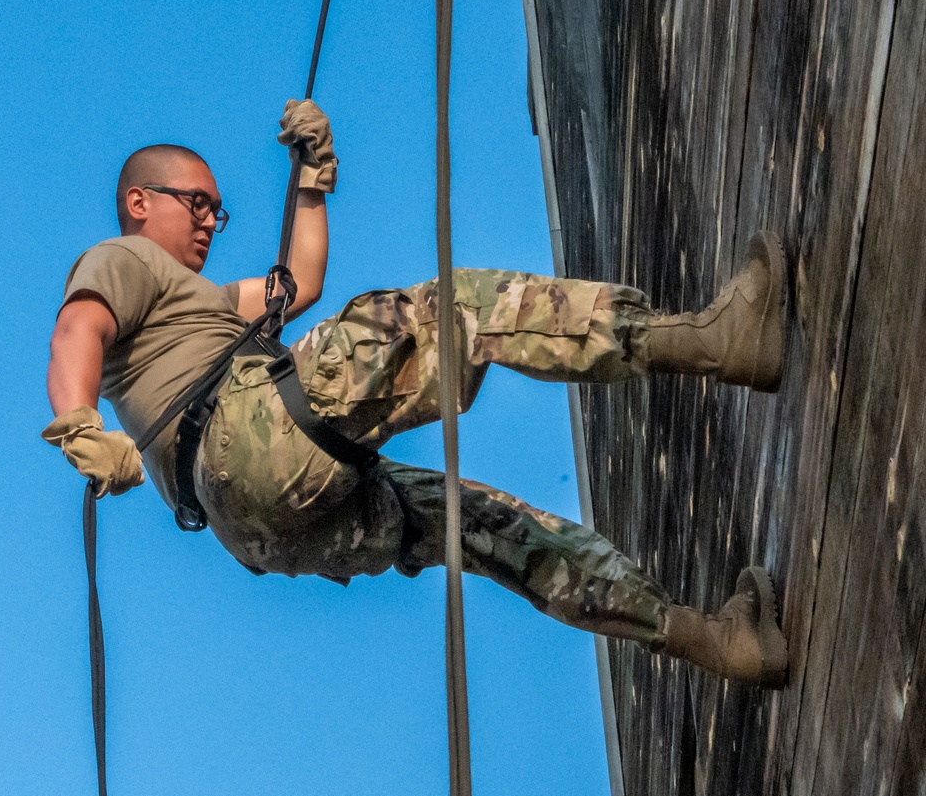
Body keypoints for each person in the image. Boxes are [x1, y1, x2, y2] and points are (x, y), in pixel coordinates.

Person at [45, 100, 789, 688]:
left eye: (217, 209)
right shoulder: (124, 258)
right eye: (196, 203)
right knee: (458, 310)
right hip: (248, 434)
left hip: (261, 526)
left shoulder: (194, 300)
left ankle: (720, 642)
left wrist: (312, 177)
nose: (211, 220)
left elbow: (296, 283)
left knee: (491, 527)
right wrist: (81, 426)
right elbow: (78, 329)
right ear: (140, 201)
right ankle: (714, 340)